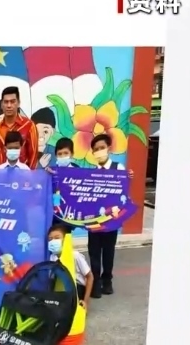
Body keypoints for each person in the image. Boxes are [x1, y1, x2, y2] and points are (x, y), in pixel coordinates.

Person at [86, 133, 134, 297]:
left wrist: (129, 178)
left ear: (109, 149)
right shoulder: (91, 173)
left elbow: (124, 189)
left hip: (112, 218)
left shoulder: (118, 168)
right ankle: (96, 282)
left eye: (102, 148)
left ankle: (107, 281)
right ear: (93, 153)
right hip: (94, 219)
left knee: (108, 251)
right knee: (93, 251)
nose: (99, 151)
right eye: (96, 149)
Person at [0, 87, 39, 169]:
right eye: (6, 102)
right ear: (1, 105)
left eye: (12, 102)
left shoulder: (29, 126)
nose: (9, 105)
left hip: (22, 174)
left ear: (18, 103)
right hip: (0, 174)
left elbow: (33, 156)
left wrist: (29, 175)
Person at [47, 224, 93, 310]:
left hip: (76, 288)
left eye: (57, 238)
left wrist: (86, 302)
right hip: (60, 289)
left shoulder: (75, 255)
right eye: (50, 239)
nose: (53, 241)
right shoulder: (52, 257)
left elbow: (90, 277)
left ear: (66, 239)